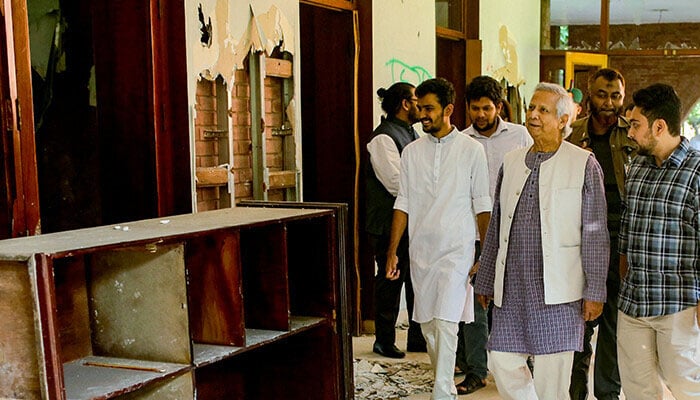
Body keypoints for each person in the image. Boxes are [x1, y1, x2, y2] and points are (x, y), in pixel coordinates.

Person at [473, 82, 609, 400]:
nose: (533, 115)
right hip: (513, 288)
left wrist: (595, 291)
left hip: (560, 292)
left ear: (563, 120)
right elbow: (496, 226)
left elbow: (595, 234)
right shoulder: (511, 161)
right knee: (502, 361)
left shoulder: (583, 164)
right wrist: (486, 277)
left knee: (553, 384)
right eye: (532, 108)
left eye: (543, 110)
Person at [386, 77, 491, 399]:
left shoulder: (472, 150)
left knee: (446, 321)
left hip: (456, 249)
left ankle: (442, 391)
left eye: (429, 108)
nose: (422, 114)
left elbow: (483, 204)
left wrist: (483, 256)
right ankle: (442, 381)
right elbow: (402, 202)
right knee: (429, 327)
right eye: (420, 107)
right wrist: (393, 251)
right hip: (421, 251)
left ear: (448, 109)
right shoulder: (411, 152)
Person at [618, 83, 700, 399]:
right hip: (633, 303)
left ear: (659, 126)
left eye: (636, 125)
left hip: (677, 304)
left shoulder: (695, 170)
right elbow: (627, 227)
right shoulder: (636, 165)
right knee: (637, 389)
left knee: (686, 386)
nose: (630, 134)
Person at [456, 75, 532, 395]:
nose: (481, 115)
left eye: (486, 108)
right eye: (475, 109)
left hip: (513, 231)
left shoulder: (520, 135)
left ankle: (520, 363)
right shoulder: (461, 141)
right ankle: (476, 369)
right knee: (475, 301)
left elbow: (532, 178)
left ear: (499, 106)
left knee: (514, 299)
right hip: (473, 232)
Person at [567, 67, 637, 400]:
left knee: (614, 323)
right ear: (589, 94)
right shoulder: (572, 133)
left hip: (622, 237)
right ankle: (574, 391)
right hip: (581, 237)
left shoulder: (632, 135)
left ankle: (608, 393)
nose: (609, 103)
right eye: (602, 95)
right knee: (579, 318)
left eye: (616, 96)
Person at [365, 82, 425, 358]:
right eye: (416, 101)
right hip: (388, 223)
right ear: (404, 104)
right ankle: (384, 339)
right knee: (391, 281)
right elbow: (397, 183)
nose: (420, 106)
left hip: (414, 221)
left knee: (417, 281)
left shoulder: (412, 133)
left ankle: (417, 337)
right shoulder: (383, 138)